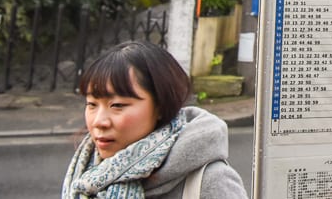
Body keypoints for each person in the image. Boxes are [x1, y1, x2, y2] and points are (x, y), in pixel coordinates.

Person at [61, 40, 248, 198]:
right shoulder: (86, 172)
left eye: (117, 105)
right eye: (92, 104)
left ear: (160, 105)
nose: (99, 122)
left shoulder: (211, 182)